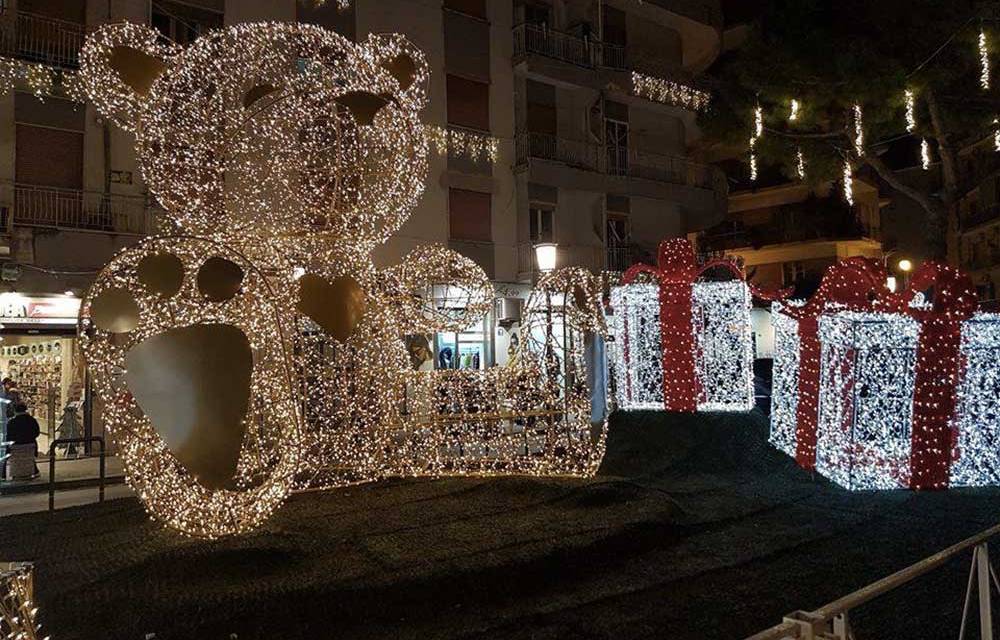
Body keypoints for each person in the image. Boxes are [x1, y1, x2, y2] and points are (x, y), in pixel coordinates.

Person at [6, 403, 40, 478]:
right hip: (30, 444)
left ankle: (10, 474)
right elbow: (37, 432)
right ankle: (34, 471)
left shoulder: (12, 422)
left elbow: (9, 436)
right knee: (29, 457)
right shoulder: (32, 420)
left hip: (16, 446)